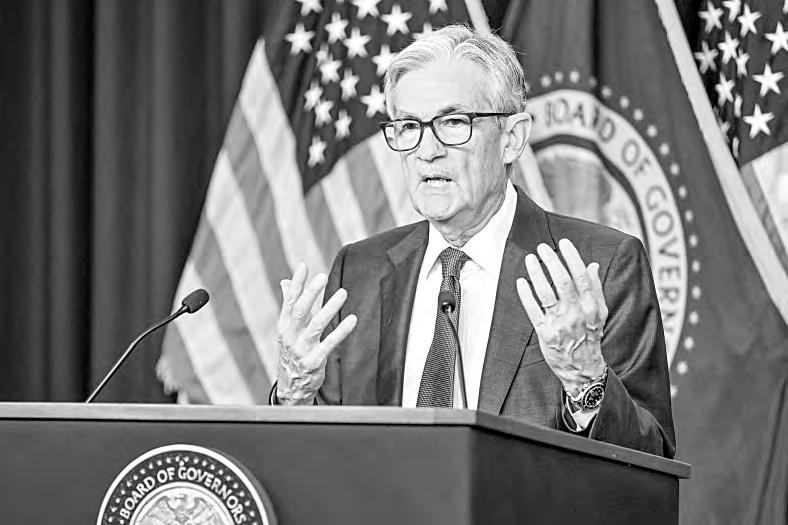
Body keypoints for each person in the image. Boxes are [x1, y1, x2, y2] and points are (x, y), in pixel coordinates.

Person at [273, 25, 675, 458]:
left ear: (511, 139)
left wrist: (586, 380)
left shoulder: (600, 265)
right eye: (409, 126)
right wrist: (294, 399)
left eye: (452, 123)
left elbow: (650, 460)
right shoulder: (360, 272)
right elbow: (322, 458)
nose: (427, 150)